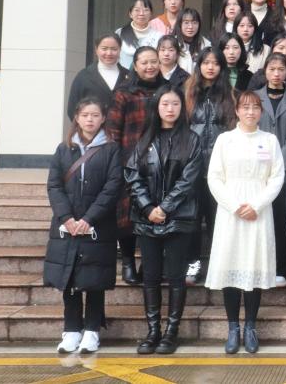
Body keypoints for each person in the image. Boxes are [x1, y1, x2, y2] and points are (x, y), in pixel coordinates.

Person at [205, 91, 285, 355]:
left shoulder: (269, 140)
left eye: (255, 107)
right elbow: (214, 177)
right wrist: (234, 206)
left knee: (253, 266)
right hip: (231, 212)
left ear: (261, 112)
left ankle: (250, 326)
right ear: (237, 111)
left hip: (258, 212)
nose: (250, 112)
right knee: (231, 265)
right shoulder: (225, 140)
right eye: (245, 107)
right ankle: (232, 327)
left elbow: (276, 177)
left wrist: (257, 205)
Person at [124, 86, 201, 355]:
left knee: (177, 277)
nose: (170, 109)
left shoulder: (191, 139)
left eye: (175, 104)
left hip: (179, 217)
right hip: (147, 219)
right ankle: (153, 330)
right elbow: (132, 175)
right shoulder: (145, 138)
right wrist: (148, 208)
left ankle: (171, 332)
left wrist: (165, 208)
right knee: (151, 276)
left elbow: (189, 180)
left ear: (182, 108)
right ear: (157, 107)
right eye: (165, 104)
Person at [45, 97, 122, 355]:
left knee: (94, 279)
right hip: (67, 226)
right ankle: (71, 330)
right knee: (69, 278)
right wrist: (66, 217)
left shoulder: (111, 149)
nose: (90, 119)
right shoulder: (63, 149)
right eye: (85, 115)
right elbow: (54, 185)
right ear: (77, 118)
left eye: (95, 115)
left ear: (103, 119)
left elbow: (113, 187)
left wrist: (89, 218)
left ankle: (91, 331)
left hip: (97, 225)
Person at [106, 46, 162, 286]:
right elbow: (112, 131)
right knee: (127, 215)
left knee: (155, 210)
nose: (150, 66)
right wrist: (115, 161)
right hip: (129, 161)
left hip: (160, 161)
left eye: (153, 61)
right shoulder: (123, 93)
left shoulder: (167, 89)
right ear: (135, 66)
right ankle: (128, 262)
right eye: (144, 62)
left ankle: (149, 264)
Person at [183, 47, 236, 285]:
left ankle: (219, 264)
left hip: (219, 168)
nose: (210, 67)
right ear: (199, 66)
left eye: (215, 63)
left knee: (218, 219)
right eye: (206, 63)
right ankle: (193, 263)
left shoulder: (230, 96)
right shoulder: (187, 93)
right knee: (192, 219)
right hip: (192, 166)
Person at [255, 53, 286, 284]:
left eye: (281, 69)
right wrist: (264, 166)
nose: (276, 74)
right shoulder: (255, 98)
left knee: (281, 220)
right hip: (259, 171)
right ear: (265, 71)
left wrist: (279, 165)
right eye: (272, 69)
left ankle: (281, 268)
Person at [67, 33, 128, 120]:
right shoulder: (84, 76)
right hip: (93, 128)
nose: (109, 53)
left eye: (114, 49)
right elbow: (72, 109)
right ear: (96, 50)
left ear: (120, 50)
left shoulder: (128, 76)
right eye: (104, 49)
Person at [117, 0, 161, 68]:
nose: (141, 14)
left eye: (146, 10)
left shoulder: (159, 36)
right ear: (130, 14)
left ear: (151, 14)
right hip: (124, 74)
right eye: (137, 10)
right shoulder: (119, 33)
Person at [174, 8, 211, 74]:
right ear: (180, 24)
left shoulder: (206, 44)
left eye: (194, 23)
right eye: (186, 23)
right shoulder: (173, 43)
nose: (190, 26)